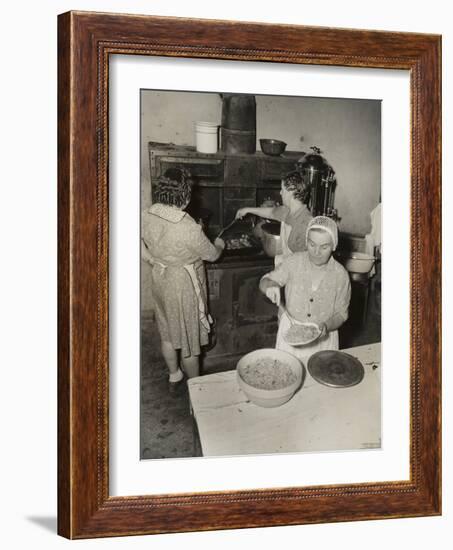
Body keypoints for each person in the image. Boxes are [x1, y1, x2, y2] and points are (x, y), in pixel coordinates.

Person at [141, 167, 225, 391]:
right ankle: (196, 388)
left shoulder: (146, 214)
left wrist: (149, 257)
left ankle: (174, 375)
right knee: (189, 340)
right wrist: (219, 244)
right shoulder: (188, 228)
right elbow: (212, 255)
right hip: (182, 284)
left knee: (168, 331)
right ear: (186, 196)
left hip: (160, 276)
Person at [259, 216, 351, 365]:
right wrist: (270, 286)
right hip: (291, 333)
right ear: (306, 240)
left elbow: (341, 313)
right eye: (312, 244)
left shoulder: (340, 275)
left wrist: (326, 326)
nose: (316, 252)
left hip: (323, 338)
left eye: (324, 247)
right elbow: (265, 280)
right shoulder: (294, 262)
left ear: (334, 246)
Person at [235, 170, 313, 266]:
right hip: (287, 266)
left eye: (282, 189)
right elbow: (271, 212)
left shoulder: (305, 224)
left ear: (291, 191)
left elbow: (303, 264)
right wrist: (247, 210)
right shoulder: (287, 210)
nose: (280, 193)